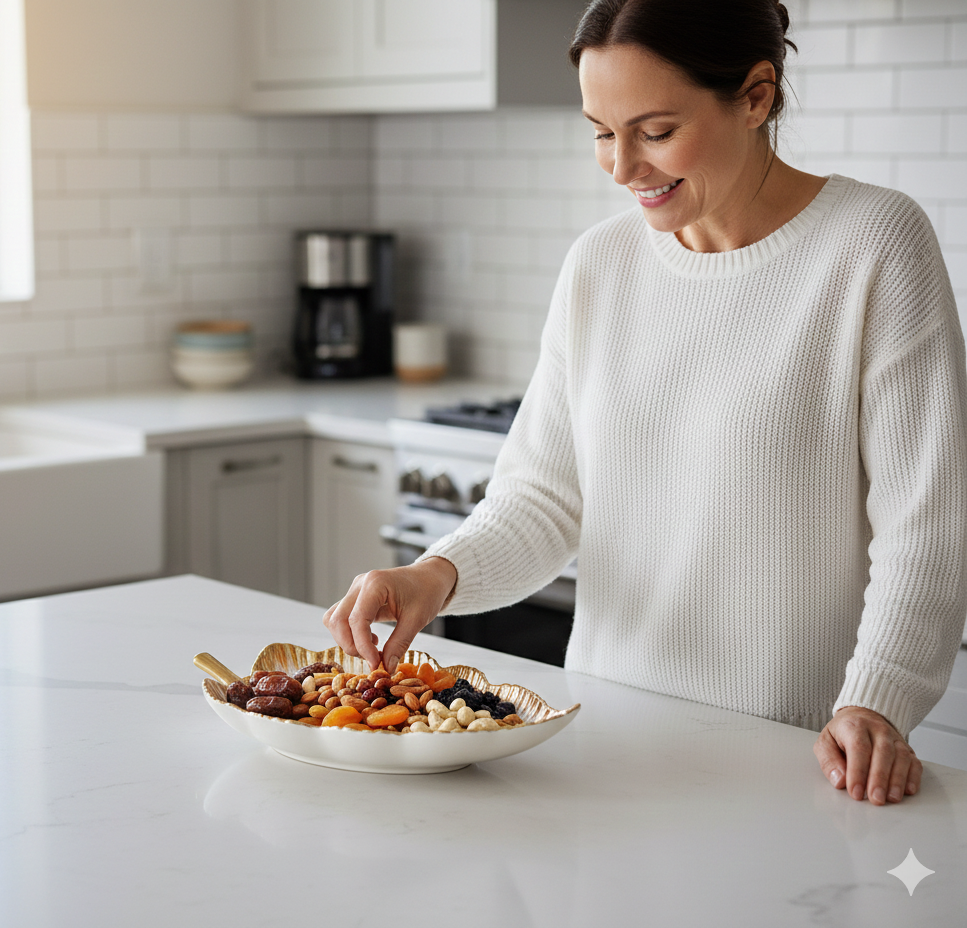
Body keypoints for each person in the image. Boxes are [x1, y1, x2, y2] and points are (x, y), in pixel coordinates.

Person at [324, 0, 967, 807]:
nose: (622, 167)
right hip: (605, 746)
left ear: (756, 96)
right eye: (600, 130)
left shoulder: (874, 244)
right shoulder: (600, 264)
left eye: (655, 131)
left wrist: (877, 700)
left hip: (796, 757)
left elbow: (928, 524)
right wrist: (434, 576)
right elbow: (543, 498)